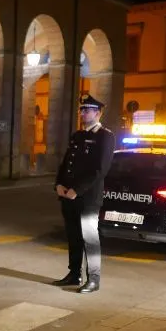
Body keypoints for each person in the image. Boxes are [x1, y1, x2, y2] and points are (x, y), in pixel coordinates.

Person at [53, 94, 116, 293]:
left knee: (90, 238)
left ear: (97, 113)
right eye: (81, 110)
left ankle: (94, 278)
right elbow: (66, 164)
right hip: (68, 196)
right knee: (73, 237)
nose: (82, 113)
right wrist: (59, 184)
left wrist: (77, 190)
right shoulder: (77, 136)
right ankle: (74, 274)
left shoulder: (105, 136)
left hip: (88, 198)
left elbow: (100, 169)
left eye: (86, 110)